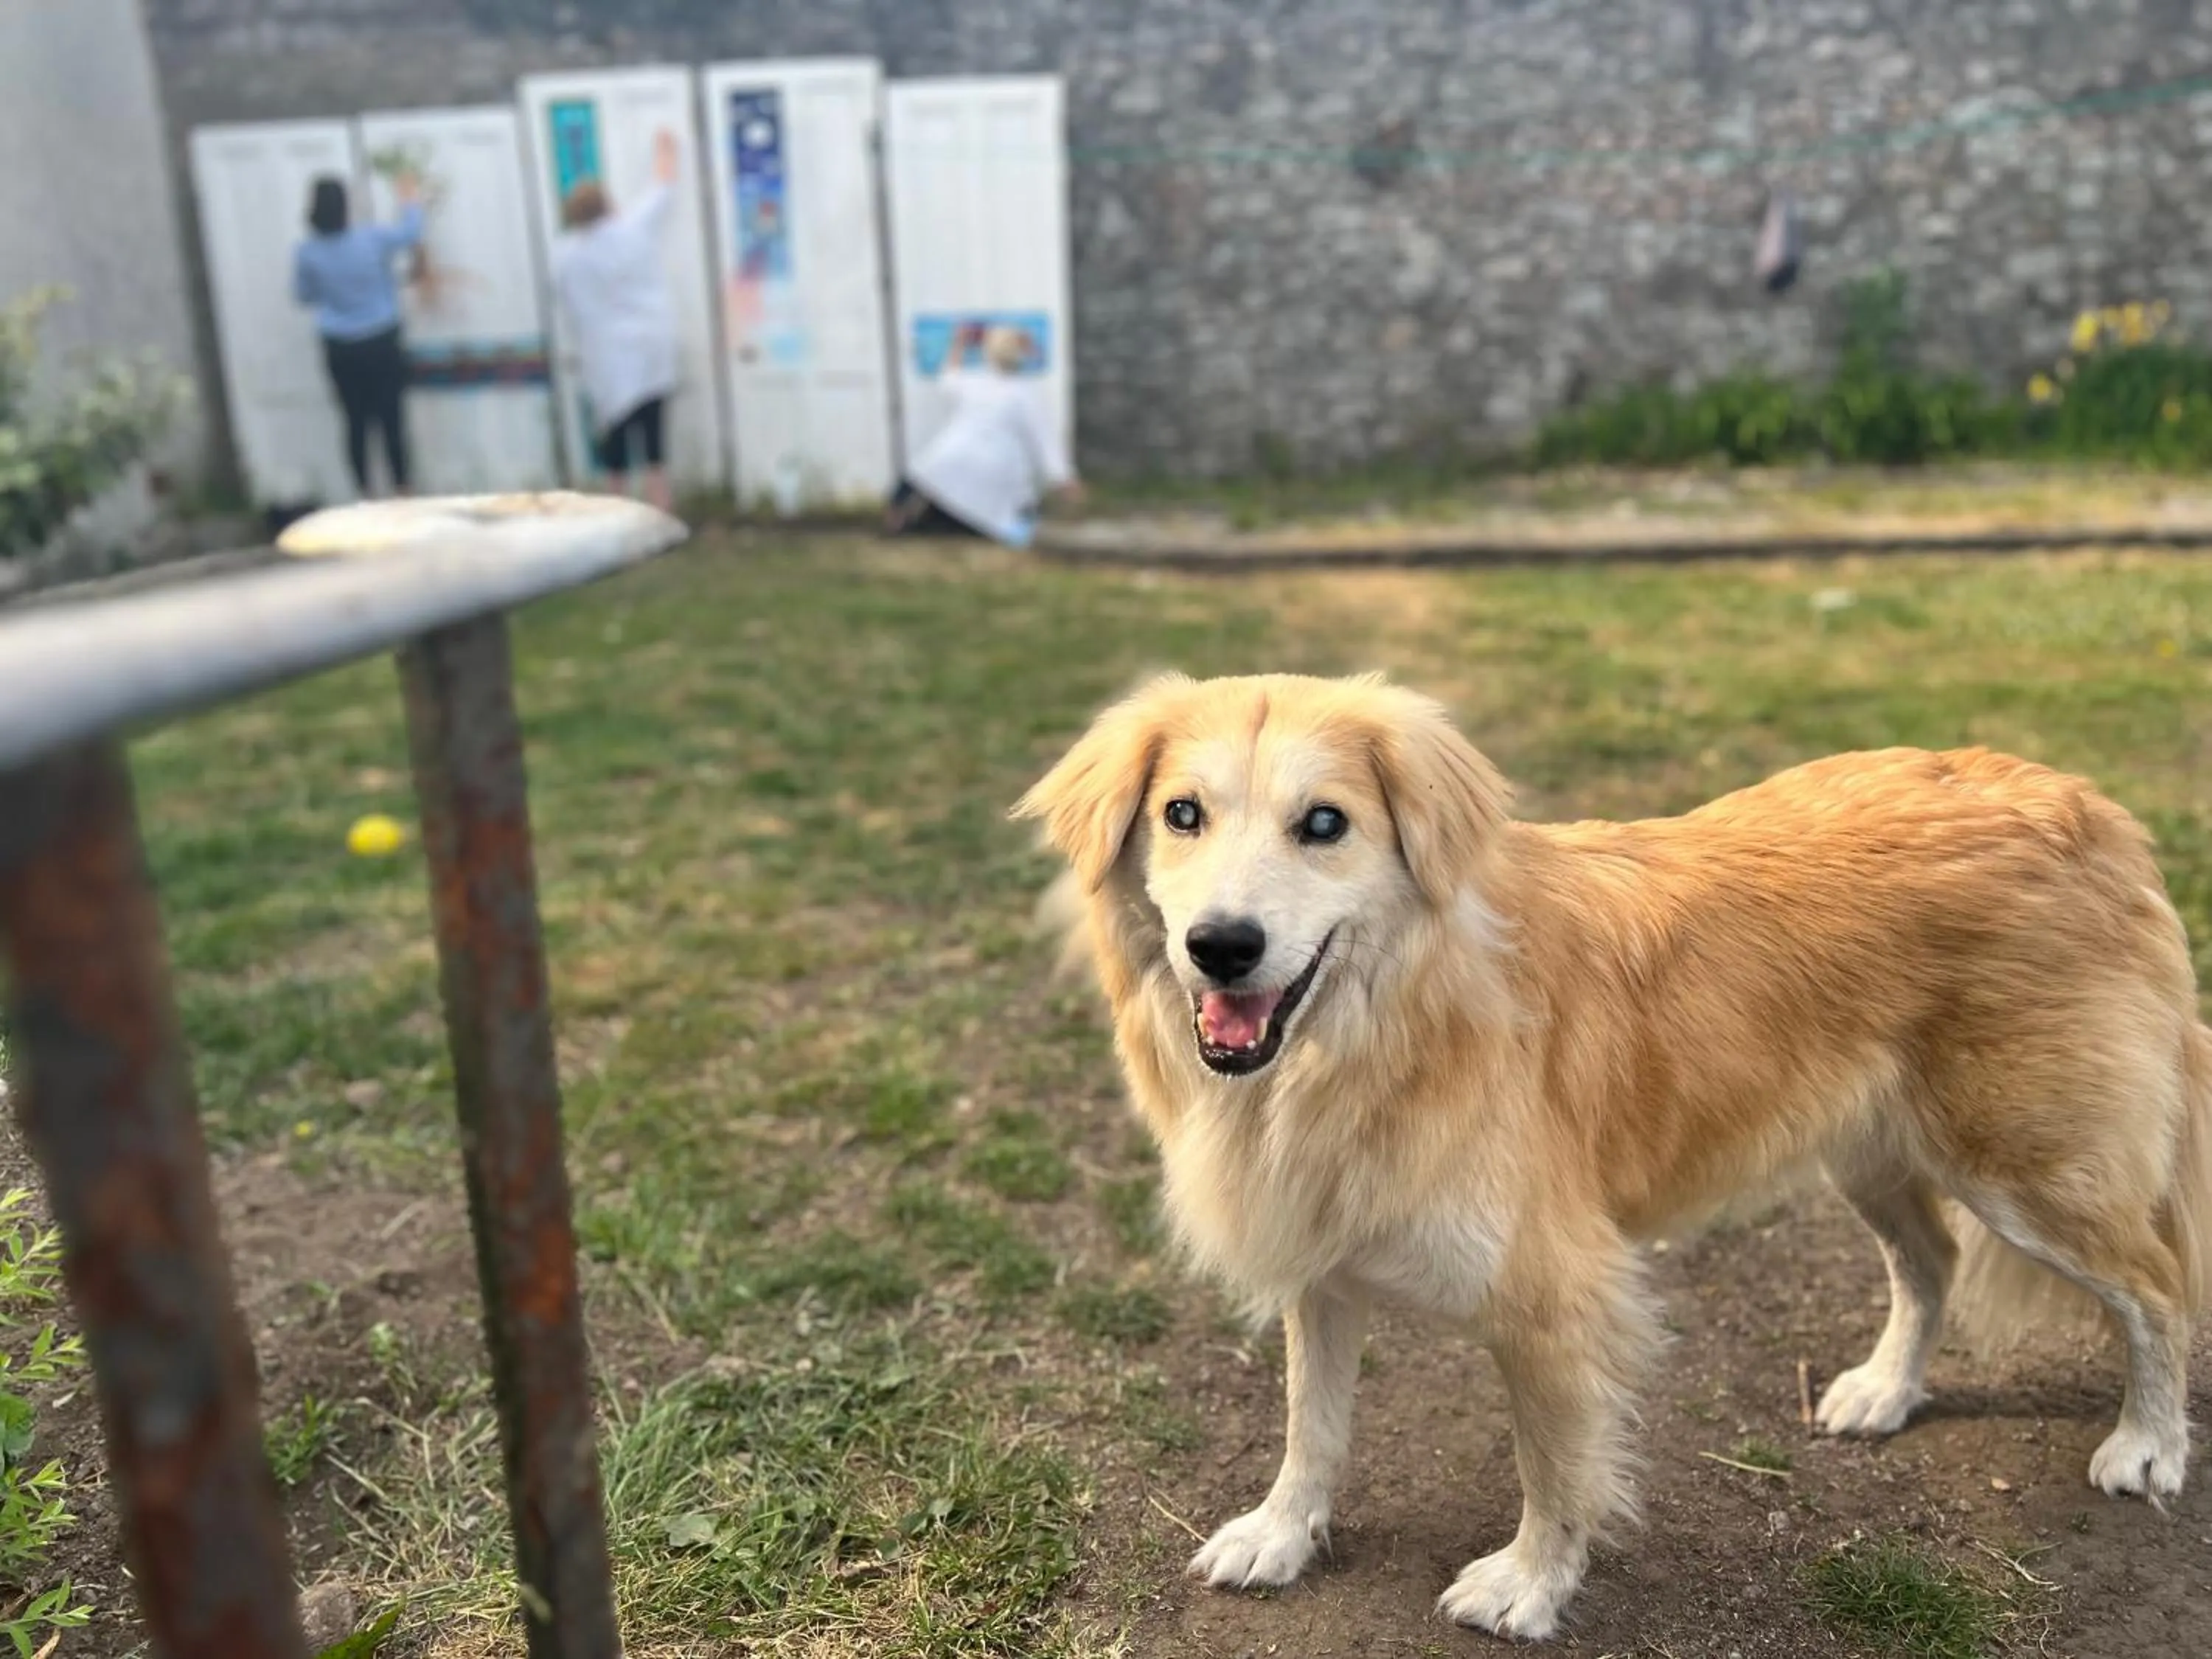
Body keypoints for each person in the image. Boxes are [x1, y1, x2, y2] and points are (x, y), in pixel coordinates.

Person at [551, 131, 681, 512]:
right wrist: (665, 150)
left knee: (616, 443)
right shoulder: (633, 230)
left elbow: (568, 305)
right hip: (651, 347)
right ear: (608, 205)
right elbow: (663, 189)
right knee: (655, 440)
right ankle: (662, 511)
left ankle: (617, 516)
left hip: (608, 359)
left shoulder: (568, 257)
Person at [886, 322, 1083, 545]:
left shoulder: (975, 382)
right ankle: (952, 527)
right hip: (999, 472)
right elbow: (1045, 440)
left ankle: (899, 521)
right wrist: (1063, 479)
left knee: (921, 477)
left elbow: (948, 376)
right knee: (994, 514)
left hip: (951, 458)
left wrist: (958, 342)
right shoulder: (1027, 394)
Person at [293, 170, 423, 498]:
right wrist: (409, 200)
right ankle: (403, 489)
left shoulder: (307, 252)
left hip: (340, 346)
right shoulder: (371, 239)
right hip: (381, 339)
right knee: (391, 417)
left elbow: (304, 296)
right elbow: (410, 232)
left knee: (354, 422)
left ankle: (365, 494)